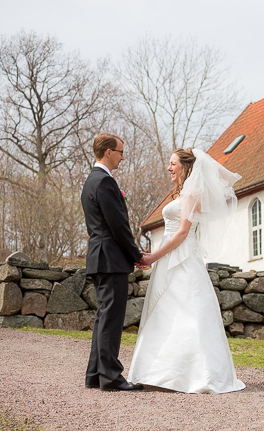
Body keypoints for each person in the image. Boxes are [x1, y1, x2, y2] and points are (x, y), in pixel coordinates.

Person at [128, 148, 245, 394]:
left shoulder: (192, 193)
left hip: (182, 257)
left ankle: (193, 374)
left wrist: (152, 257)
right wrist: (155, 256)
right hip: (168, 256)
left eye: (173, 164)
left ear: (186, 167)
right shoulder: (181, 193)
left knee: (188, 311)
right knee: (165, 311)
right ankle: (157, 372)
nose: (169, 168)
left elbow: (181, 233)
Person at [81, 132, 153, 392]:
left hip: (100, 258)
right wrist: (136, 255)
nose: (123, 157)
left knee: (103, 317)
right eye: (121, 152)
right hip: (110, 259)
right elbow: (118, 227)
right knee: (110, 319)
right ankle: (111, 377)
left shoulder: (91, 181)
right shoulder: (104, 182)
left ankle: (94, 375)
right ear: (108, 152)